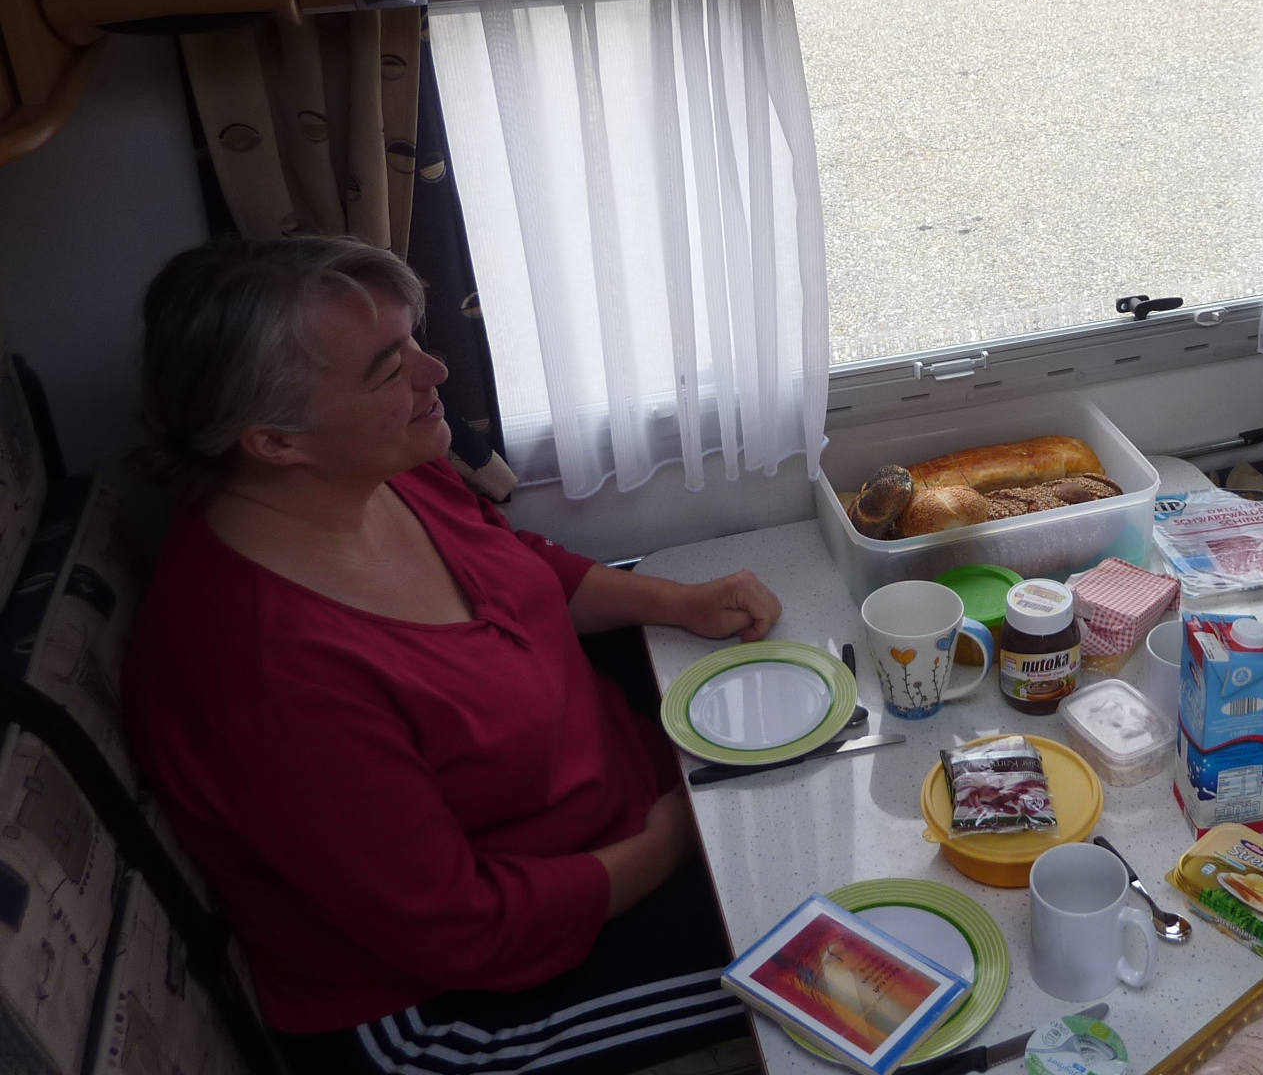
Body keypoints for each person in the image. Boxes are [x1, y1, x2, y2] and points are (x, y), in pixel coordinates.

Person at [123, 236, 785, 1075]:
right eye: (387, 369)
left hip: (614, 816)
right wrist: (682, 836)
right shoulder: (264, 679)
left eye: (415, 340)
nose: (434, 373)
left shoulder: (376, 467)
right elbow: (466, 929)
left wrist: (678, 602)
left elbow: (511, 569)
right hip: (459, 1009)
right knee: (843, 940)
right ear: (275, 442)